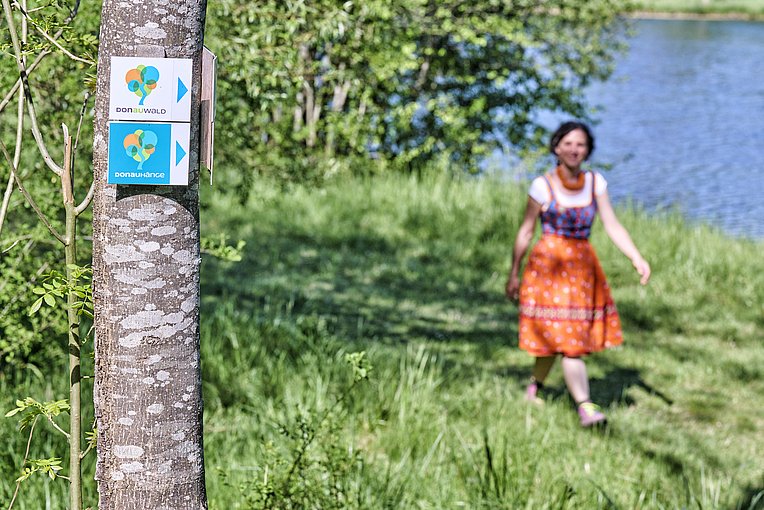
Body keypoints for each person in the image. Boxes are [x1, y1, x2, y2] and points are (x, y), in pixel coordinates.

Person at [505, 121, 650, 427]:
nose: (574, 150)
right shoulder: (542, 186)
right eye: (568, 144)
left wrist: (636, 257)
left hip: (582, 272)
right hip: (547, 270)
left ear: (588, 149)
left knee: (561, 337)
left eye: (580, 144)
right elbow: (526, 230)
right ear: (556, 147)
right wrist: (513, 273)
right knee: (566, 343)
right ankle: (586, 407)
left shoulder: (596, 183)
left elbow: (611, 224)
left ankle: (533, 389)